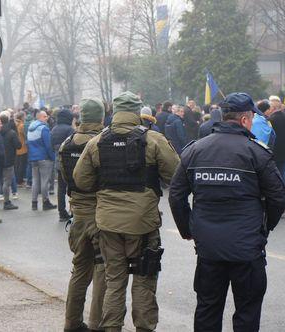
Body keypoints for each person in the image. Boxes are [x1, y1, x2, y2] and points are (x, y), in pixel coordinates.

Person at [168, 92, 285, 332]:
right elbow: (278, 197)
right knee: (247, 312)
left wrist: (188, 229)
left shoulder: (195, 150)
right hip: (247, 247)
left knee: (208, 309)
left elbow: (176, 195)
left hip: (209, 248)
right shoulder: (256, 152)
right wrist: (265, 227)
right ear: (245, 120)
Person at [73, 91, 180, 332]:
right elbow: (176, 175)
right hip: (143, 224)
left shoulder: (97, 142)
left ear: (115, 111)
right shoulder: (153, 140)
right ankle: (144, 327)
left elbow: (81, 180)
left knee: (114, 280)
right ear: (137, 111)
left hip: (108, 224)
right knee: (144, 278)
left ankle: (112, 327)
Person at [60, 98, 107, 332]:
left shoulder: (66, 144)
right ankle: (98, 323)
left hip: (77, 213)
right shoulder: (101, 143)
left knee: (79, 270)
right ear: (101, 118)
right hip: (99, 213)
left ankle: (72, 322)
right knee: (103, 269)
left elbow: (66, 179)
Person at [28, 110, 57, 211]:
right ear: (40, 117)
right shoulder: (44, 129)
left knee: (35, 181)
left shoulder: (30, 129)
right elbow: (48, 145)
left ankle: (34, 203)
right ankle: (45, 202)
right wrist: (53, 158)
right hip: (44, 158)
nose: (47, 118)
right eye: (45, 116)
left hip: (33, 158)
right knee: (45, 181)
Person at [51, 107, 75, 221]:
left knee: (61, 188)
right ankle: (73, 211)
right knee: (73, 188)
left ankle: (61, 212)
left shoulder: (54, 129)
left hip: (58, 162)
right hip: (69, 163)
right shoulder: (69, 129)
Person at [0, 113, 21, 210]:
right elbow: (18, 145)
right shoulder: (11, 132)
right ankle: (6, 202)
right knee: (7, 182)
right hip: (9, 159)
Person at [269, 96, 285, 183]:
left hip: (274, 149)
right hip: (284, 148)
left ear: (273, 108)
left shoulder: (270, 119)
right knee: (282, 173)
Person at [14, 111, 29, 186]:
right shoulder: (21, 126)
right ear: (22, 117)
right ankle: (20, 181)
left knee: (17, 165)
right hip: (23, 147)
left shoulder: (15, 124)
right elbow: (25, 136)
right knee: (22, 165)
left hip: (17, 148)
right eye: (24, 116)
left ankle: (17, 179)